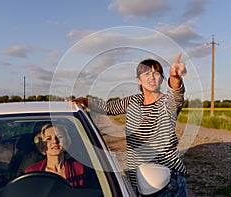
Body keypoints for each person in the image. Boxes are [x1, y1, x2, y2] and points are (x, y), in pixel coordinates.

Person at [71, 53, 187, 196]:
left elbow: (176, 93)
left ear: (162, 78)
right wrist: (84, 101)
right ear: (138, 80)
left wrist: (175, 77)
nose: (151, 77)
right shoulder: (133, 101)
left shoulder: (167, 103)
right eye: (146, 73)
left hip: (165, 182)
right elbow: (108, 108)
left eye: (156, 73)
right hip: (139, 180)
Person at [25, 123, 85, 188]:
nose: (55, 141)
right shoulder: (32, 172)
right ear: (42, 144)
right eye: (48, 138)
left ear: (66, 141)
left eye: (59, 137)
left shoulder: (80, 168)